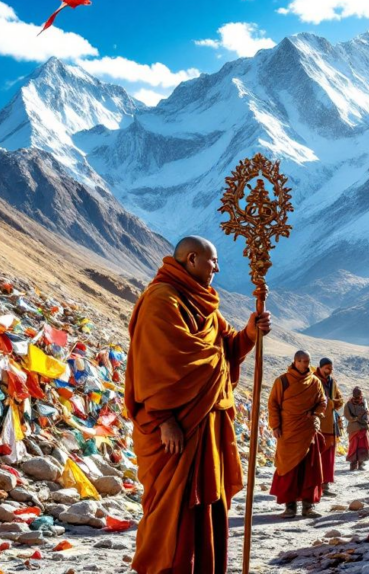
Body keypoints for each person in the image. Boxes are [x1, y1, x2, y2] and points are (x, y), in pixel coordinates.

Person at [126, 236, 269, 574]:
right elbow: (153, 367)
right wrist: (164, 420)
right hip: (178, 430)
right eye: (213, 261)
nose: (217, 268)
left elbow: (226, 348)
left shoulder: (201, 303)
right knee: (174, 510)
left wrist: (249, 332)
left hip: (209, 427)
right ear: (192, 259)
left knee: (209, 503)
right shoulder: (161, 301)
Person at [268, 350, 327, 519]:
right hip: (288, 430)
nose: (306, 365)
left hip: (308, 431)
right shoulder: (283, 381)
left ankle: (308, 506)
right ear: (296, 361)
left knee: (310, 469)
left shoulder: (314, 381)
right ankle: (290, 506)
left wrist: (314, 413)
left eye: (308, 361)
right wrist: (275, 425)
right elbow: (273, 404)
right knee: (288, 468)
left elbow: (322, 402)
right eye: (303, 361)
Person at [315, 358, 344, 497]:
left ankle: (325, 485)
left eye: (331, 368)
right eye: (327, 368)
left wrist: (332, 403)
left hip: (331, 425)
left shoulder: (332, 383)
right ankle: (315, 486)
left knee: (328, 458)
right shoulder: (313, 379)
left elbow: (340, 399)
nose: (329, 371)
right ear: (320, 367)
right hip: (317, 425)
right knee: (317, 456)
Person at [344, 387, 369, 470]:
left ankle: (360, 463)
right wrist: (355, 419)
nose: (359, 396)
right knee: (354, 446)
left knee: (361, 446)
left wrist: (368, 419)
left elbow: (367, 413)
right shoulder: (348, 404)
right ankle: (354, 464)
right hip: (354, 428)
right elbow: (347, 415)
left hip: (362, 427)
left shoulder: (363, 402)